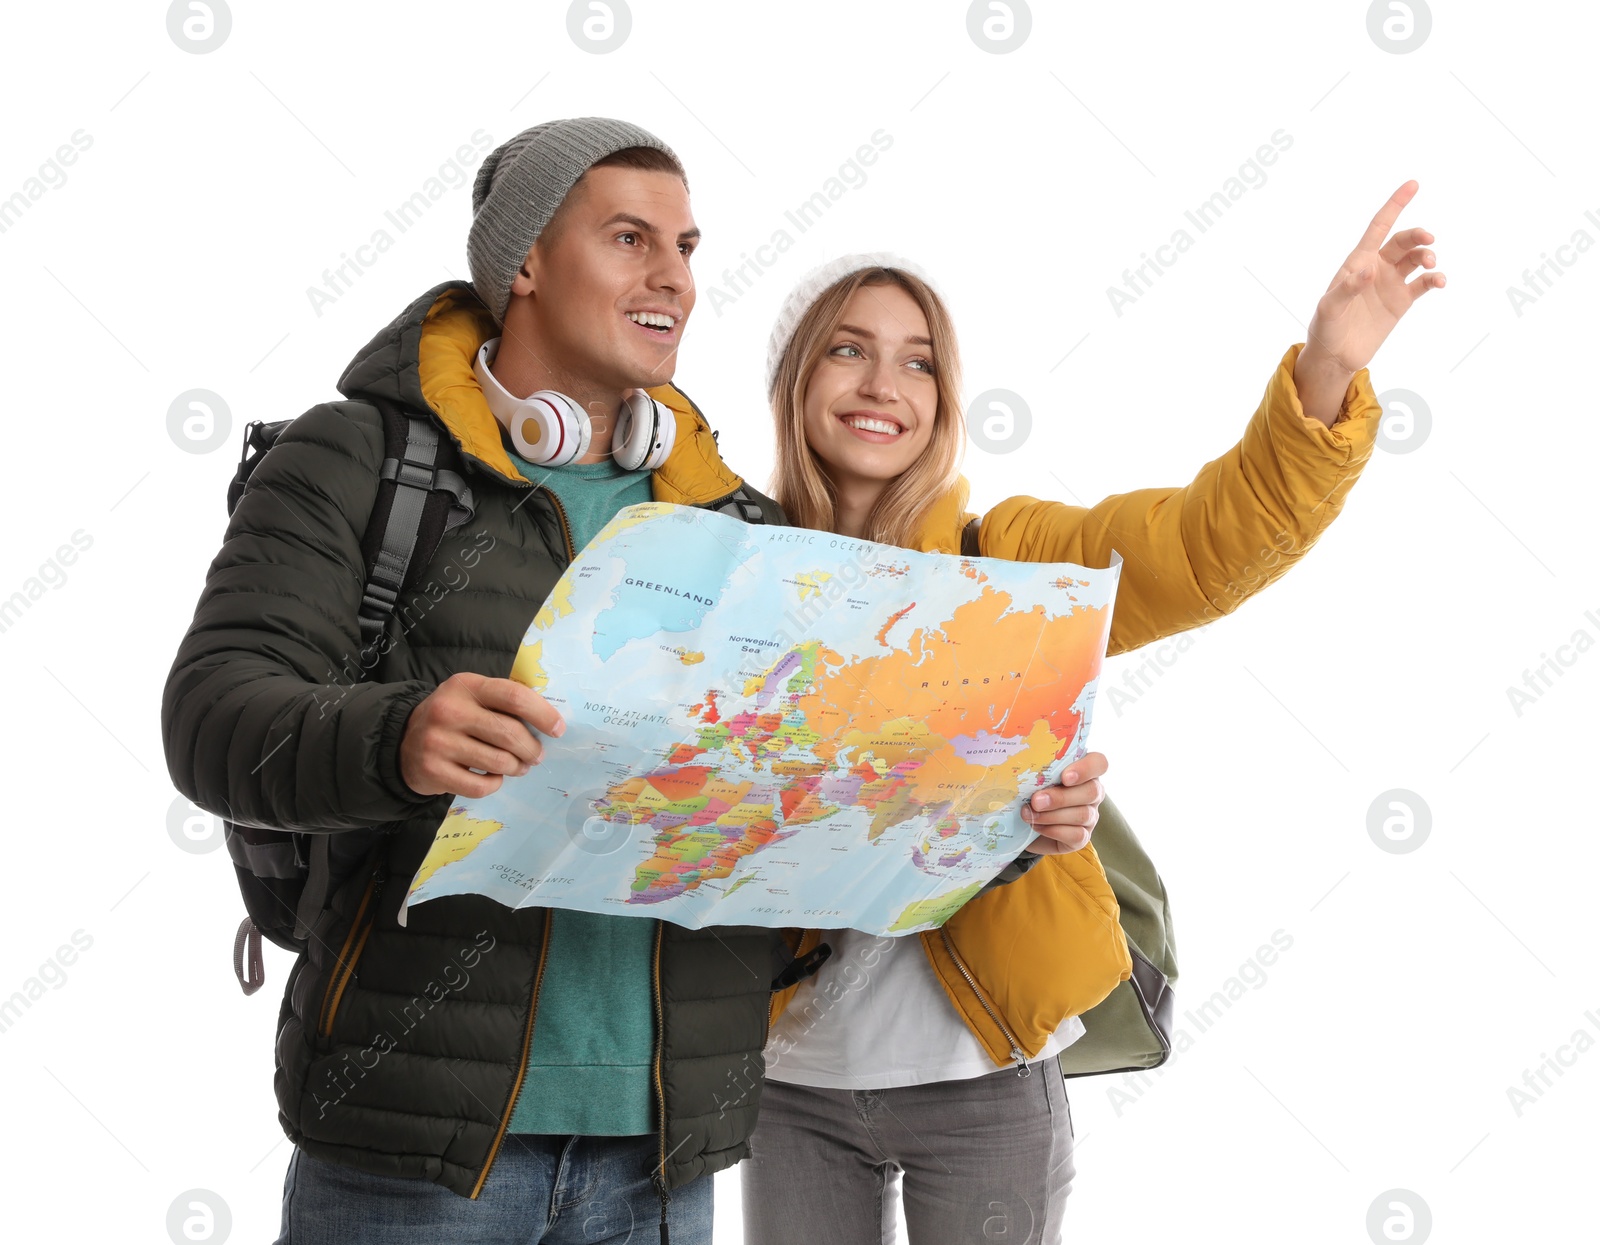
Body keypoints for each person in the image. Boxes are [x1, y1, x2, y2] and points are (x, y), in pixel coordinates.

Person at [160, 115, 1097, 1245]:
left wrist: (1001, 823)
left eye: (688, 247)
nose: (674, 278)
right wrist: (396, 736)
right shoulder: (359, 461)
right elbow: (212, 717)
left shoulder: (740, 531)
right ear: (522, 266)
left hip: (660, 1165)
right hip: (414, 1156)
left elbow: (824, 831)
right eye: (628, 238)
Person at [742, 185, 1445, 1245]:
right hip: (785, 1084)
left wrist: (1327, 369)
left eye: (919, 359)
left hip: (981, 1075)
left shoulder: (1008, 561)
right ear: (795, 382)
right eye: (848, 350)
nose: (886, 383)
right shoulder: (730, 576)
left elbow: (1203, 545)